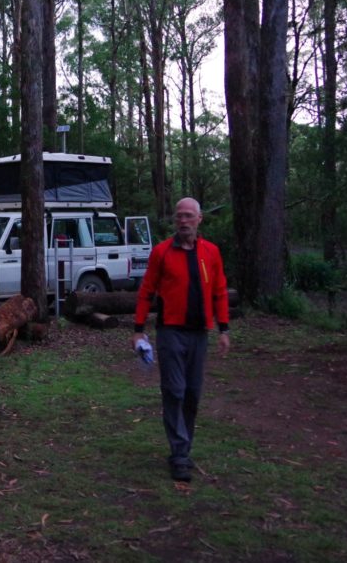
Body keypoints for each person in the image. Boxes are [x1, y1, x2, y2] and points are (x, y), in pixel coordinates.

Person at [132, 197, 230, 482]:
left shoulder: (210, 252)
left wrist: (223, 329)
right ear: (175, 220)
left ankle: (183, 447)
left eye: (189, 216)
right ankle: (179, 454)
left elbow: (220, 291)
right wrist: (138, 329)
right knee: (174, 390)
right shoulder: (162, 252)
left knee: (192, 394)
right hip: (170, 332)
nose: (183, 221)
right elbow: (146, 291)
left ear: (199, 219)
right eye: (179, 216)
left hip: (199, 333)